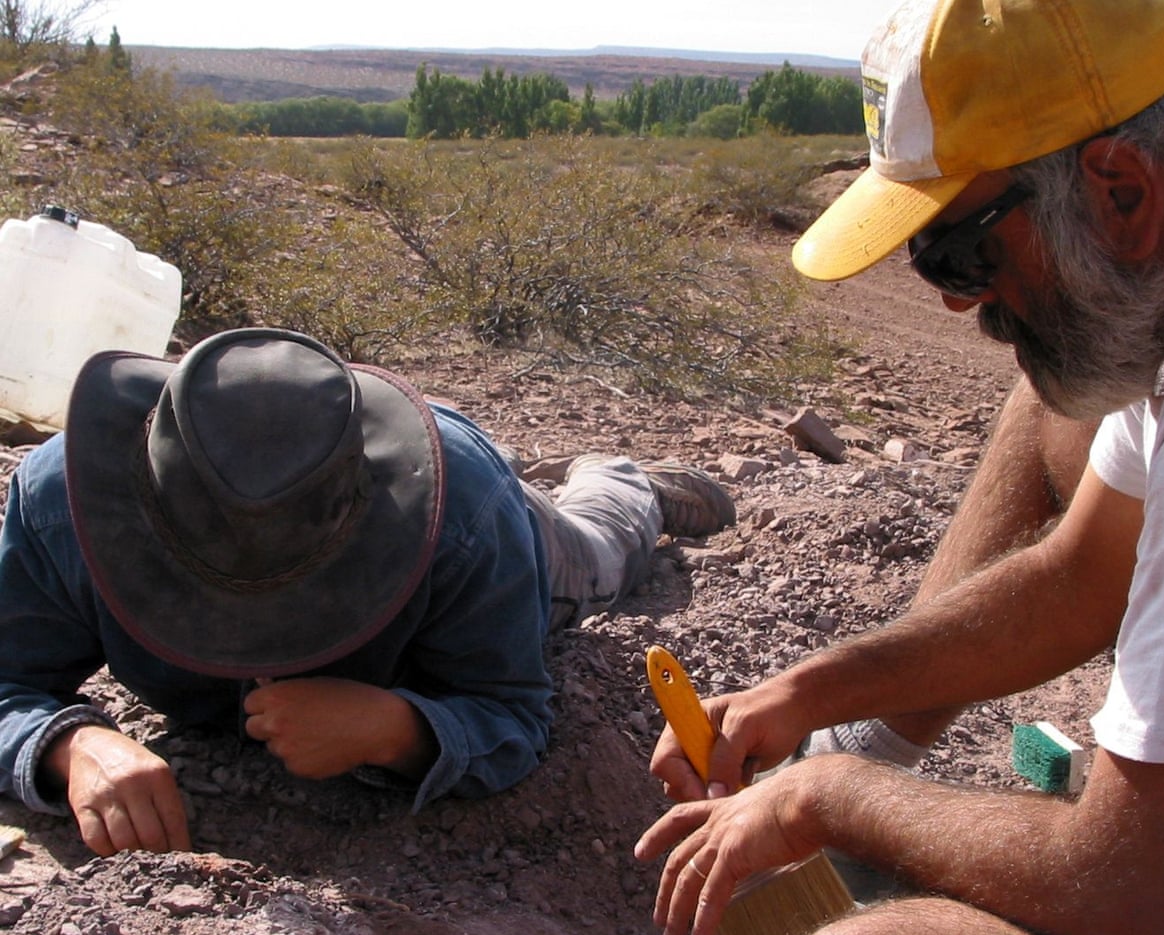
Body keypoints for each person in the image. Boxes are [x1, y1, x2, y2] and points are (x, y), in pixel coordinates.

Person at [635, 0, 1164, 935]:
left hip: (1141, 878)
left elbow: (1120, 890)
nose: (953, 298)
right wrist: (811, 698)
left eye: (964, 250)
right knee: (1051, 391)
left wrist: (816, 801)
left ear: (1124, 190)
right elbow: (1074, 581)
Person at [0, 326, 734, 858]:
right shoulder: (62, 505)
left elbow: (513, 711)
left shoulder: (465, 519)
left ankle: (622, 478)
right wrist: (71, 743)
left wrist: (398, 728)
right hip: (384, 453)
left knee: (600, 552)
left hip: (466, 491)